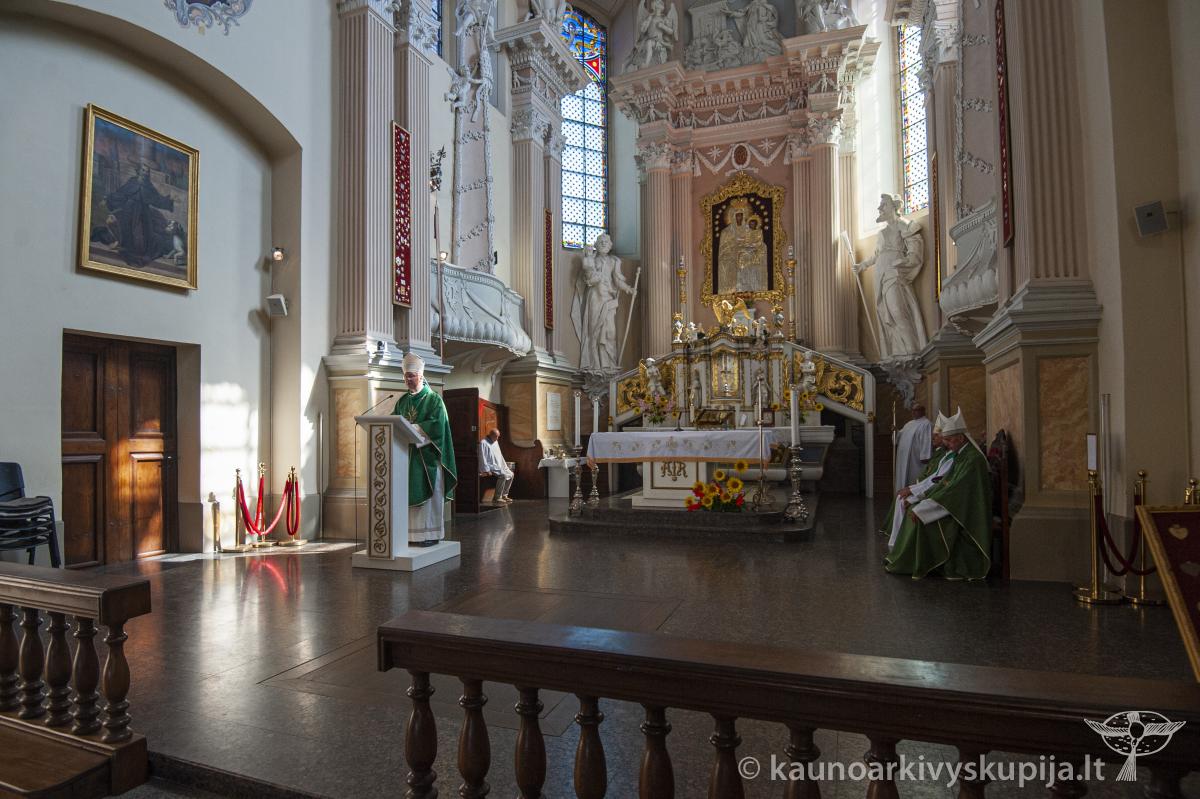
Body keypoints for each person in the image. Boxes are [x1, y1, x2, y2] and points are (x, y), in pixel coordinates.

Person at [884, 408, 993, 580]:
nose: (946, 444)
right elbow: (945, 483)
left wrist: (923, 508)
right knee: (914, 509)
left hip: (966, 514)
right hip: (956, 505)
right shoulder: (961, 454)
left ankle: (915, 562)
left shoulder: (972, 459)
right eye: (946, 440)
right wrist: (921, 500)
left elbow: (955, 491)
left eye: (949, 440)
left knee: (919, 518)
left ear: (961, 438)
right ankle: (904, 557)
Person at [392, 353, 458, 546]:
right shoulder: (402, 401)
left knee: (430, 499)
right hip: (407, 456)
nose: (408, 379)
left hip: (427, 457)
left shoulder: (434, 400)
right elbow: (394, 421)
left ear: (421, 376)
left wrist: (413, 429)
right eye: (406, 376)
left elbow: (438, 426)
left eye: (411, 376)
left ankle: (430, 535)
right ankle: (410, 536)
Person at [853, 194, 927, 359]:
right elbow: (877, 255)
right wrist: (863, 265)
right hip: (881, 272)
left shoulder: (904, 225)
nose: (880, 208)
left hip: (895, 271)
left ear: (894, 206)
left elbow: (915, 249)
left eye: (884, 205)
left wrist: (904, 261)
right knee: (887, 313)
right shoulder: (882, 232)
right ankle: (897, 350)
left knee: (897, 309)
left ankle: (912, 348)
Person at [570, 233, 636, 371]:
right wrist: (588, 258)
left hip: (609, 300)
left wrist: (628, 289)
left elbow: (617, 279)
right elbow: (588, 278)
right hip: (595, 298)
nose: (604, 243)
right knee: (594, 331)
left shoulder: (614, 261)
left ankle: (610, 363)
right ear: (596, 245)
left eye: (606, 241)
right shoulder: (591, 260)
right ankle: (596, 365)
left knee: (610, 332)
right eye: (601, 241)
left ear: (610, 245)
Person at [893, 403, 932, 493]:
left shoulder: (926, 424)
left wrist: (925, 456)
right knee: (903, 480)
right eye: (913, 410)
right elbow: (899, 436)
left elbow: (926, 441)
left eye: (916, 410)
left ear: (923, 411)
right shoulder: (909, 424)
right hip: (903, 460)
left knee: (913, 480)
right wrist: (895, 431)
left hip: (915, 461)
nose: (913, 412)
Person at [479, 428, 514, 504]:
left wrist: (504, 465)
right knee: (503, 475)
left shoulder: (495, 442)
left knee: (511, 474)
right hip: (491, 467)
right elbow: (482, 457)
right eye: (496, 436)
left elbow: (499, 455)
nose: (497, 438)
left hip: (498, 465)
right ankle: (498, 497)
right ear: (491, 435)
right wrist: (486, 470)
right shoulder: (483, 443)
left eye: (498, 436)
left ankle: (504, 495)